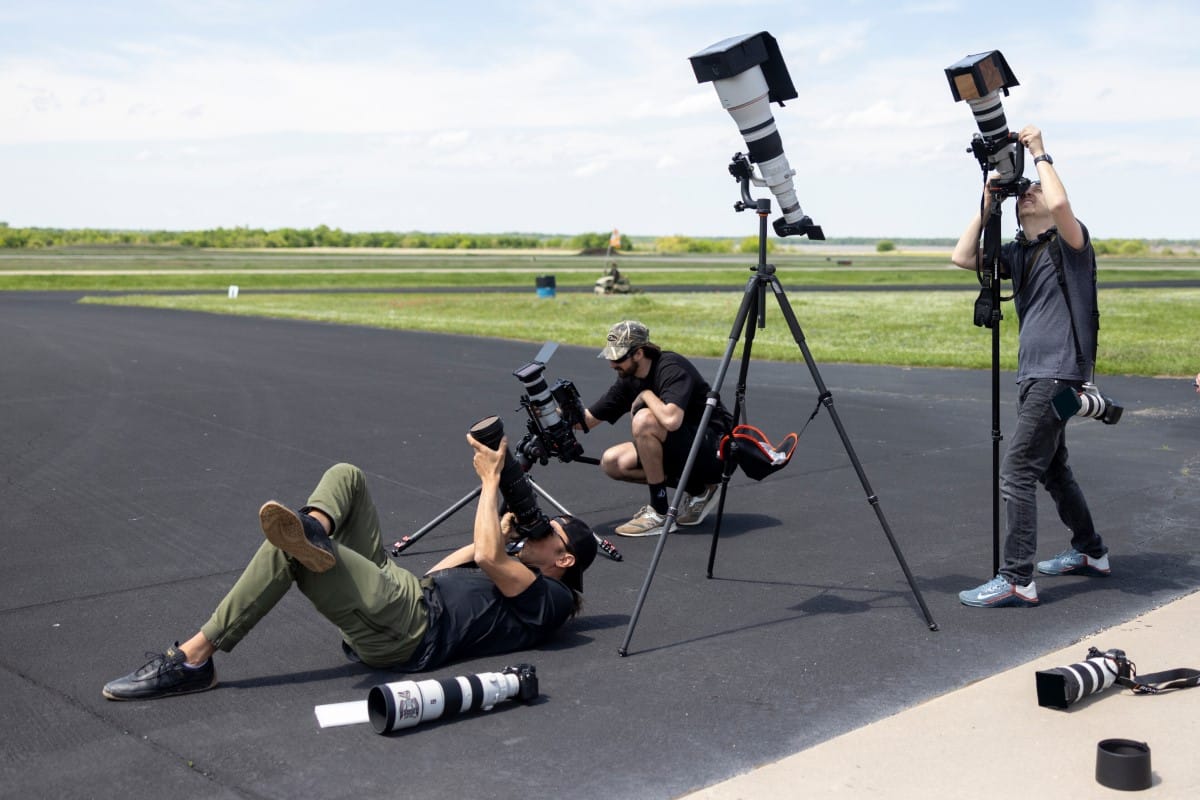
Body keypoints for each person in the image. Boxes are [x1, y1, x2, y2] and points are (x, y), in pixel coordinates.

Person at [102, 434, 597, 700]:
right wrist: (505, 533)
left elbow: (486, 556)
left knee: (285, 552)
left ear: (565, 558)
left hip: (411, 628)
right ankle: (315, 528)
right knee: (348, 476)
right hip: (410, 592)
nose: (538, 530)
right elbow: (449, 570)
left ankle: (191, 660)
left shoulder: (551, 600)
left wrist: (491, 484)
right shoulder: (517, 569)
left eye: (547, 532)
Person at [950, 124, 1109, 608]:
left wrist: (1039, 154)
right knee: (1052, 469)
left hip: (1059, 373)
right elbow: (961, 258)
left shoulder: (1073, 246)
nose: (1028, 195)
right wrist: (988, 201)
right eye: (1024, 194)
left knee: (1017, 469)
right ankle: (1091, 551)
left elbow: (1060, 206)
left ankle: (1017, 577)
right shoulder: (1020, 252)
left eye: (1033, 191)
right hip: (1035, 375)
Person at [579, 320, 732, 537]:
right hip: (684, 449)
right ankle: (699, 490)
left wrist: (646, 395)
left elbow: (671, 420)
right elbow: (587, 420)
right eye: (610, 357)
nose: (612, 364)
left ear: (639, 353)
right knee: (612, 462)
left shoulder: (671, 367)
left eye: (618, 358)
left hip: (716, 449)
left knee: (645, 419)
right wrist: (550, 411)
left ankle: (660, 513)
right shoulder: (628, 378)